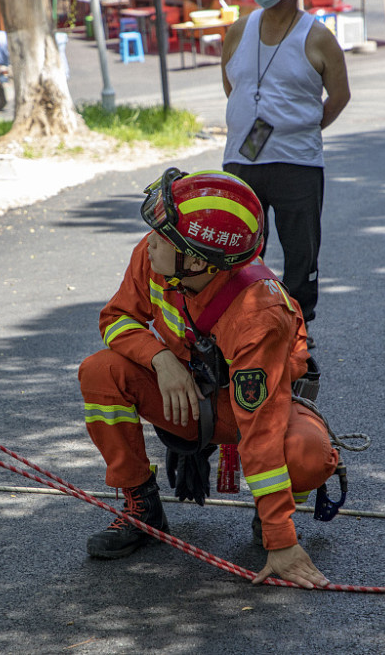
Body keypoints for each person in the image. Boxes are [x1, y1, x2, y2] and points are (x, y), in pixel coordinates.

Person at [78, 168, 340, 589]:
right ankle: (142, 508)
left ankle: (277, 508)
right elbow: (117, 318)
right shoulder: (158, 256)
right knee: (99, 372)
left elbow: (261, 427)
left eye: (163, 236)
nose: (150, 241)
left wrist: (280, 539)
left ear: (198, 259)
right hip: (187, 393)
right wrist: (160, 358)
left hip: (252, 409)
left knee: (305, 453)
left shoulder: (258, 313)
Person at [221, 0, 351, 346]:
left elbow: (340, 96)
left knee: (300, 251)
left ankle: (296, 331)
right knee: (239, 247)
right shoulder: (238, 31)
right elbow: (233, 86)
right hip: (242, 158)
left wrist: (304, 127)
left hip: (297, 162)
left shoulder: (318, 37)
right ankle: (241, 325)